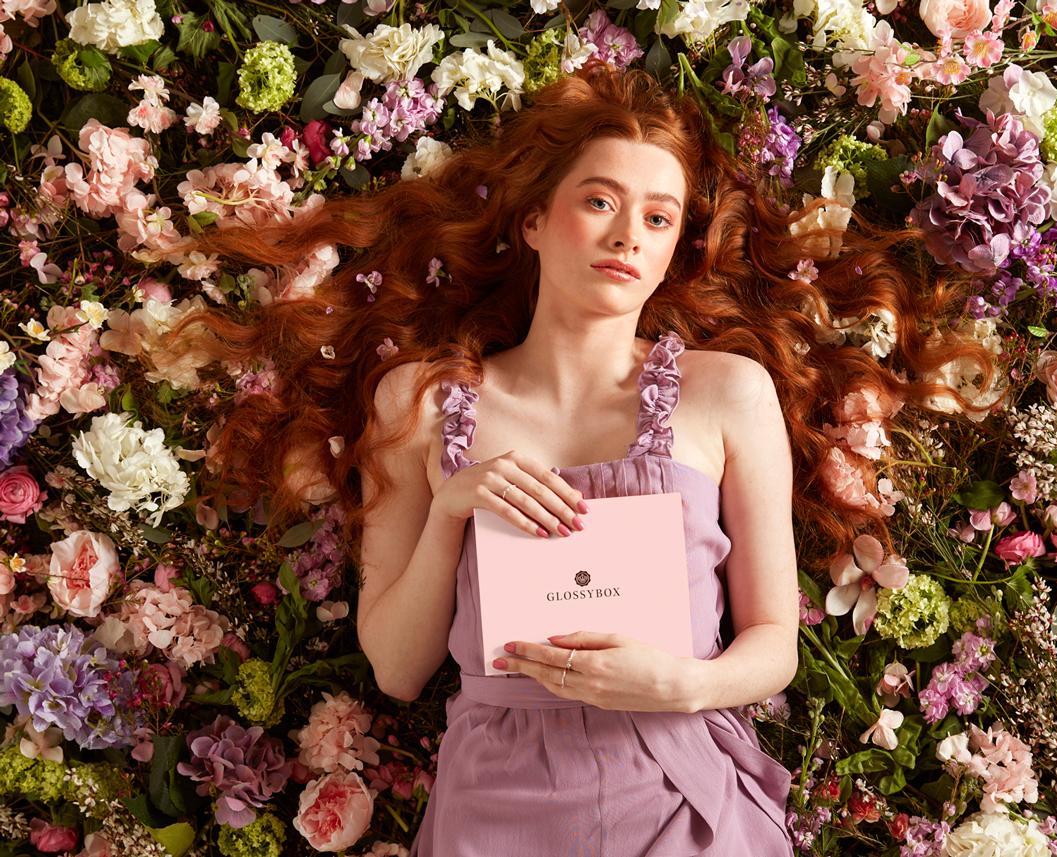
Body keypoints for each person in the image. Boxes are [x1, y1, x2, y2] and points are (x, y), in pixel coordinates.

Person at [187, 65, 991, 854]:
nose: (625, 236)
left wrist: (682, 686)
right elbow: (397, 669)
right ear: (534, 219)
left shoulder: (728, 394)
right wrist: (447, 512)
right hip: (493, 807)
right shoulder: (419, 402)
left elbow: (775, 639)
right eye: (600, 201)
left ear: (676, 246)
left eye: (657, 217)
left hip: (680, 796)